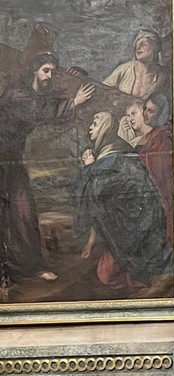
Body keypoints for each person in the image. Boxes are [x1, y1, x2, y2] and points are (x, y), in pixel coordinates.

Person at [0, 53, 94, 283]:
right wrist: (74, 102)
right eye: (46, 70)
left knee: (23, 209)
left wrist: (71, 80)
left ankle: (30, 267)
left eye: (53, 72)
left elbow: (52, 109)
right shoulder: (16, 93)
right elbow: (40, 111)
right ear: (34, 70)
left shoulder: (40, 94)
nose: (49, 76)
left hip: (12, 160)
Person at [75, 111, 173, 297]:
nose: (90, 127)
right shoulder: (113, 155)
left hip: (138, 231)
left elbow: (96, 194)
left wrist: (89, 167)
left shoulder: (116, 157)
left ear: (106, 129)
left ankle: (143, 291)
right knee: (106, 273)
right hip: (130, 230)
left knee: (112, 273)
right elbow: (101, 206)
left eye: (95, 123)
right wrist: (90, 242)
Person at [137, 91, 173, 243]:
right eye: (144, 109)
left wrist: (141, 162)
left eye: (150, 111)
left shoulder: (163, 136)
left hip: (160, 192)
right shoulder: (153, 135)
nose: (145, 114)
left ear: (161, 113)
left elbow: (160, 165)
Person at [103, 29, 168, 99]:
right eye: (137, 45)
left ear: (155, 47)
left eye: (143, 44)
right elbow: (103, 90)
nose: (138, 48)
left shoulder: (163, 76)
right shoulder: (123, 69)